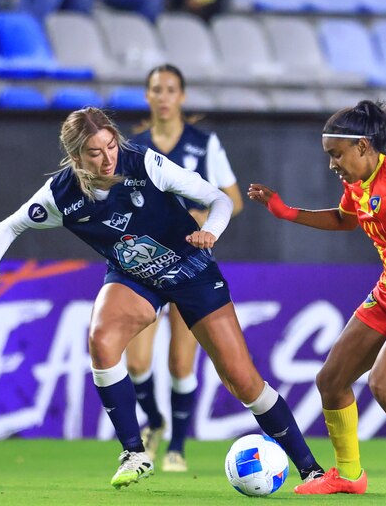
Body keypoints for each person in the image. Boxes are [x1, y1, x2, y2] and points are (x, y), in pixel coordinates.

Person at [0, 107, 324, 489]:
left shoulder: (147, 164)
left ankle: (311, 469)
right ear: (75, 158)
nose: (108, 158)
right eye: (94, 152)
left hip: (191, 270)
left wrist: (212, 233)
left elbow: (218, 199)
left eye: (110, 146)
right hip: (134, 276)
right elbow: (11, 224)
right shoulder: (61, 194)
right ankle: (135, 453)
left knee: (242, 380)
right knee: (101, 340)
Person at [248, 100, 386, 498]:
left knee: (385, 383)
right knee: (330, 381)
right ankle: (348, 475)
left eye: (336, 154)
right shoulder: (356, 183)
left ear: (363, 146)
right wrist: (287, 212)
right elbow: (344, 218)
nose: (332, 164)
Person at [125, 64, 244, 472]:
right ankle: (154, 422)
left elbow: (233, 199)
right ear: (147, 96)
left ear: (182, 96)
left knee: (180, 361)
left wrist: (199, 217)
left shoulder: (203, 143)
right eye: (156, 89)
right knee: (137, 362)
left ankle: (176, 445)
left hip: (190, 261)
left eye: (170, 89)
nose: (163, 96)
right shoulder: (131, 148)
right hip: (145, 263)